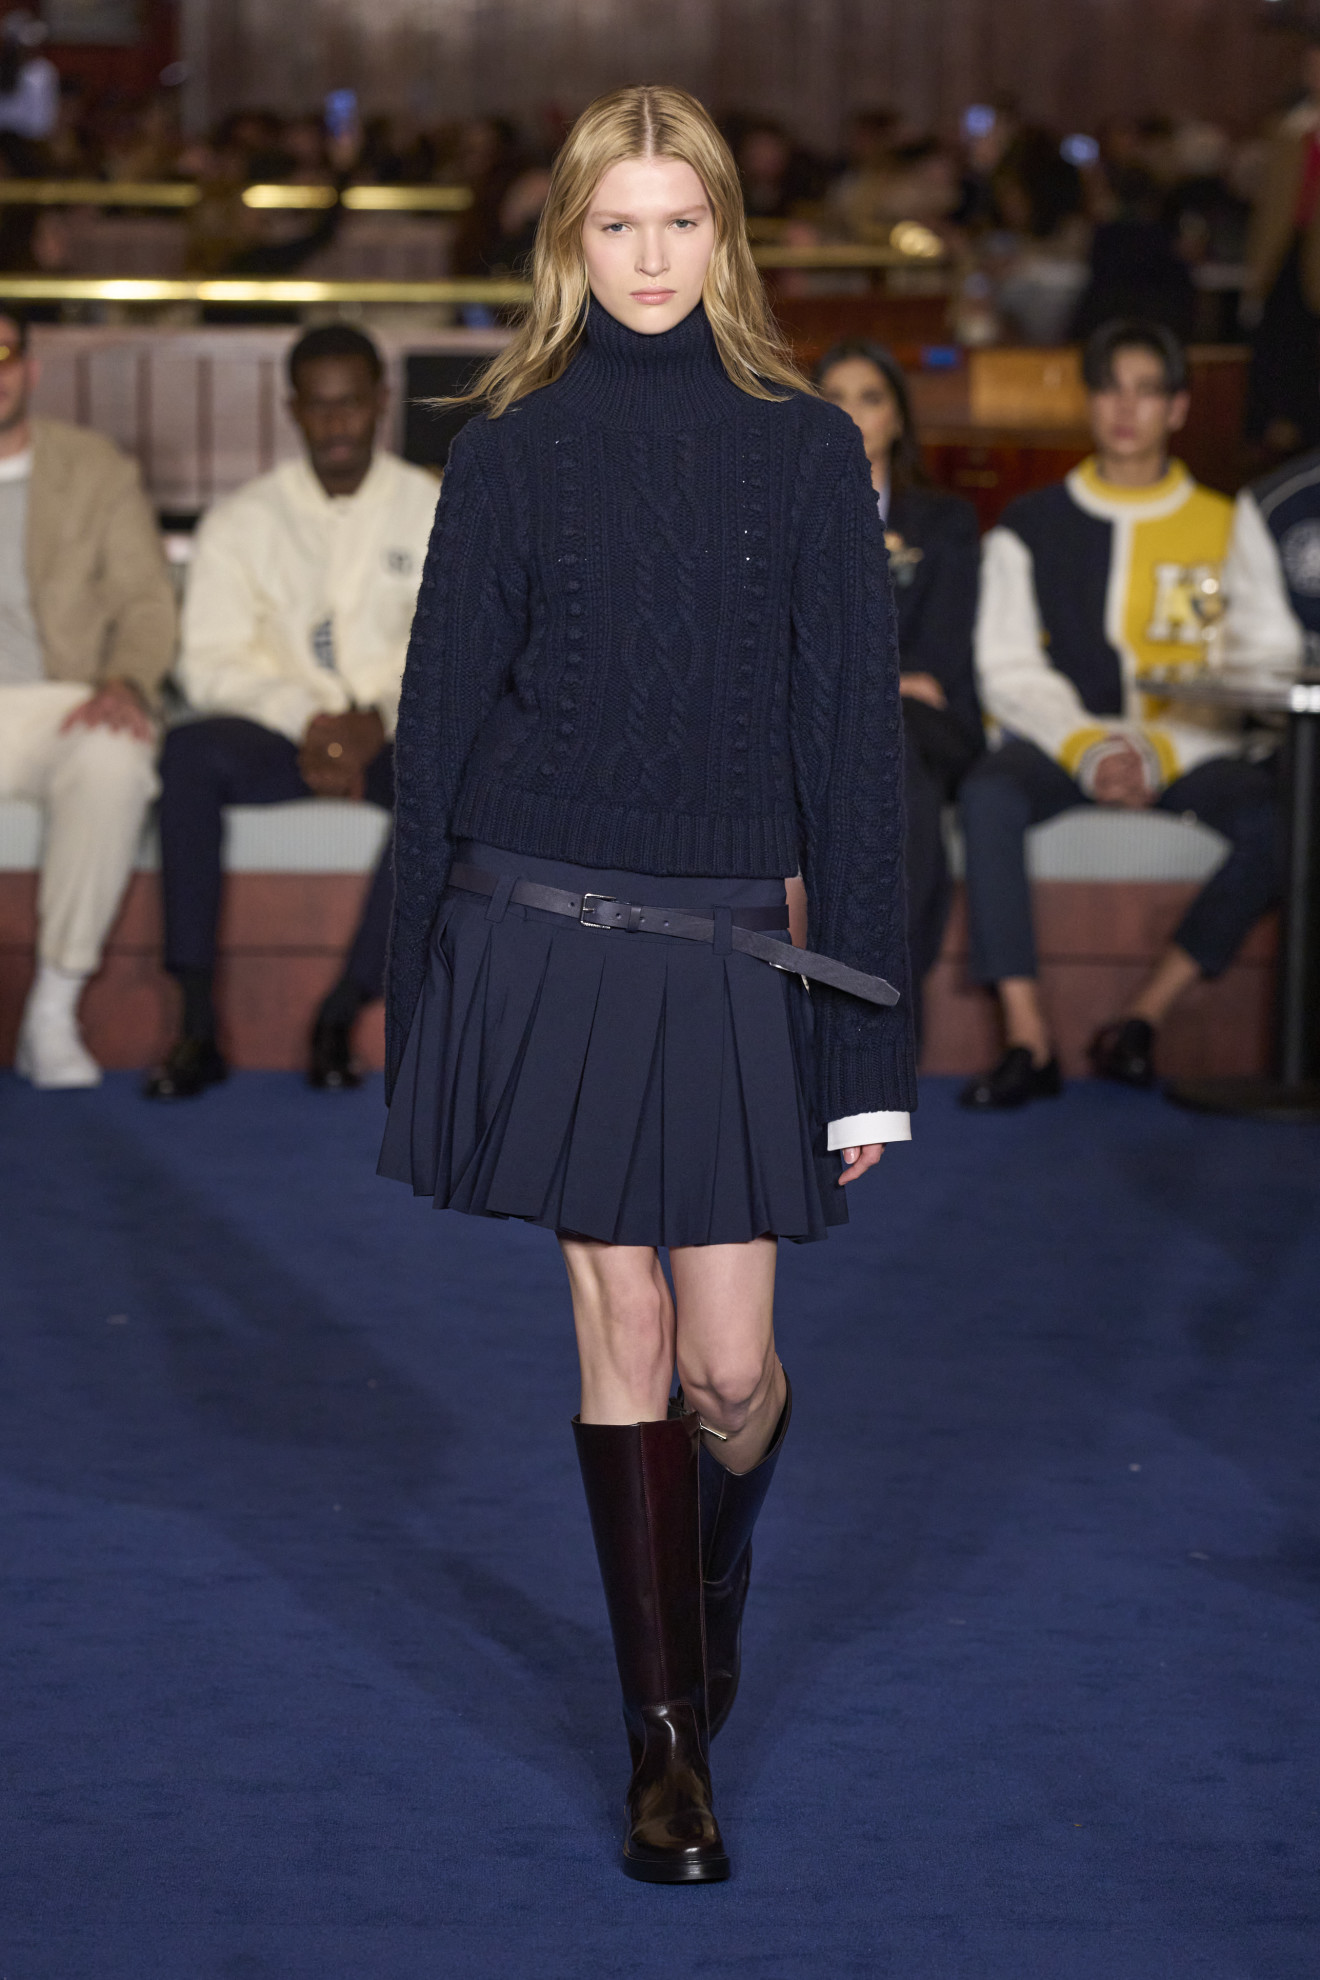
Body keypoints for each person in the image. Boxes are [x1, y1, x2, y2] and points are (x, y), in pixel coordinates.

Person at [379, 85, 913, 1883]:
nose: (653, 256)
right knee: (622, 1327)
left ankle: (701, 1584)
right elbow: (440, 723)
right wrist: (419, 994)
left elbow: (853, 762)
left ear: (727, 237)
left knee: (733, 1371)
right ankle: (666, 1748)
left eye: (683, 222)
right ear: (570, 241)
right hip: (544, 920)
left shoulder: (806, 451)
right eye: (619, 225)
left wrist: (867, 1047)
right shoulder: (510, 446)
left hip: (732, 944)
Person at [960, 319, 1279, 1107]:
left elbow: (1260, 659)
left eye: (1147, 390)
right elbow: (1007, 667)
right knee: (988, 793)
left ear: (1177, 407)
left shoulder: (1228, 521)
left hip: (1191, 746)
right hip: (1064, 742)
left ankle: (1141, 1019)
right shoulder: (1029, 524)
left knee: (1282, 820)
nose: (1126, 408)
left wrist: (1160, 753)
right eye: (1110, 390)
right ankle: (1028, 1038)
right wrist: (1092, 749)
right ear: (1090, 403)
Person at [146, 324, 438, 1099]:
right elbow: (208, 662)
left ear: (381, 402)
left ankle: (342, 1012)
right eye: (319, 405)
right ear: (293, 410)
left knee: (451, 778)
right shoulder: (242, 519)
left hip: (394, 735)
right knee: (187, 755)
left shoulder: (436, 508)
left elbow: (459, 649)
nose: (337, 423)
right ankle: (196, 1025)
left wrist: (377, 717)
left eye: (352, 403)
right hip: (281, 736)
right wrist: (310, 719)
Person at [0, 303, 175, 1088]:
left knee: (115, 754)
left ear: (30, 369)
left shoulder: (95, 469)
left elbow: (146, 602)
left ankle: (52, 1008)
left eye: (3, 355)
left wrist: (124, 681)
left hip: (62, 704)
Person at [815, 339, 981, 1026]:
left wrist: (858, 683)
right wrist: (884, 681)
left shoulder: (944, 523)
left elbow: (940, 661)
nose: (851, 414)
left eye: (870, 398)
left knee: (894, 750)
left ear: (899, 418)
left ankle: (887, 1009)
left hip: (926, 729)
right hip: (823, 715)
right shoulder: (781, 516)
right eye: (834, 399)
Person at [1244, 36, 1320, 456]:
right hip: (1287, 251)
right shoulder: (1290, 128)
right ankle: (1278, 429)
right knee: (1281, 344)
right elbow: (1270, 205)